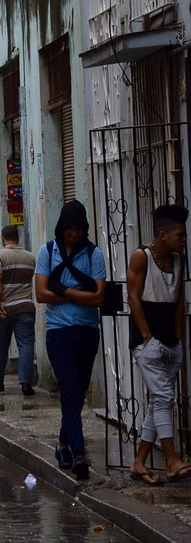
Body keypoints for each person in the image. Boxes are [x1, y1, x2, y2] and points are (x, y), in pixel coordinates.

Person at [35, 199, 106, 481]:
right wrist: (81, 294)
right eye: (69, 229)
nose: (73, 234)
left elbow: (99, 298)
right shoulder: (47, 252)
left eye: (78, 229)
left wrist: (62, 289)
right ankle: (78, 454)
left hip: (88, 331)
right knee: (70, 388)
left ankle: (63, 443)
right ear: (61, 227)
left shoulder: (93, 255)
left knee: (79, 389)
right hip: (59, 333)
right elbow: (41, 294)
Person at [126, 204, 191, 485]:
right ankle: (171, 460)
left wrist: (177, 338)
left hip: (170, 341)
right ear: (163, 235)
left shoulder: (178, 260)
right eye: (179, 235)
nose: (184, 239)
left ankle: (139, 462)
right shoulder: (141, 257)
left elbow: (178, 298)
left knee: (158, 402)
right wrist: (146, 337)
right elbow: (133, 297)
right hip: (148, 341)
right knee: (164, 397)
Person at [0, 225, 37, 396]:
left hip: (4, 308)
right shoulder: (31, 258)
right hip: (25, 306)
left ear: (3, 238)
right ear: (18, 237)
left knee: (1, 345)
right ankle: (26, 383)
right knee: (26, 345)